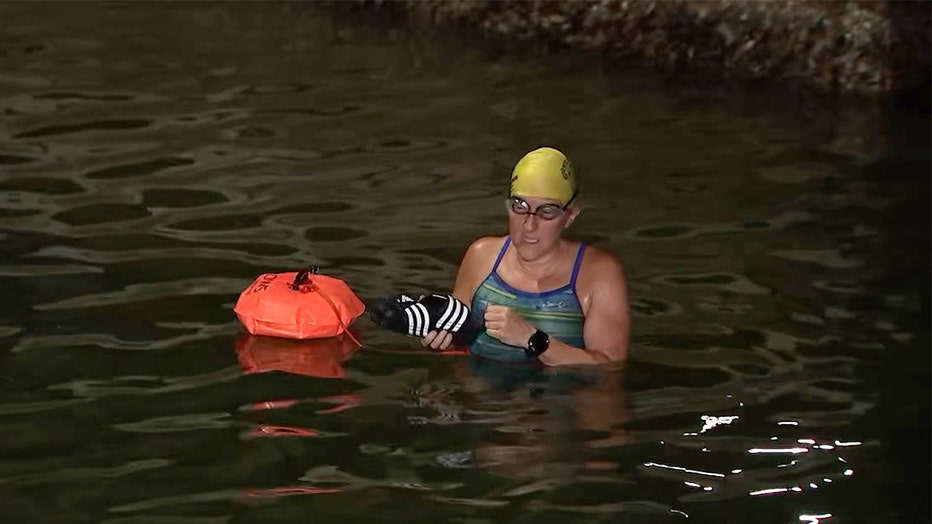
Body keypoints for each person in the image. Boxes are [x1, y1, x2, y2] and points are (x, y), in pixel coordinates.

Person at [421, 146, 631, 366]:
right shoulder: (481, 256)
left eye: (547, 211)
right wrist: (439, 334)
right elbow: (457, 340)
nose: (529, 225)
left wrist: (532, 339)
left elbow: (610, 367)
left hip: (557, 397)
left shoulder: (599, 273)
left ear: (570, 216)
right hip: (481, 397)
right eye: (520, 207)